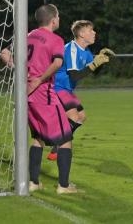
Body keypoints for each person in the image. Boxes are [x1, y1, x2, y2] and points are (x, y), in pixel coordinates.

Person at [46, 20, 114, 161]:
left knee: (81, 117)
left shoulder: (86, 51)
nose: (94, 33)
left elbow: (92, 70)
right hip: (57, 87)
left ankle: (57, 141)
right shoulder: (71, 49)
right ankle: (57, 143)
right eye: (91, 30)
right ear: (82, 34)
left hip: (67, 89)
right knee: (74, 117)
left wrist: (101, 59)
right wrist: (95, 63)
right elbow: (75, 74)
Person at [26, 4, 73, 194]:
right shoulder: (55, 39)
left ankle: (33, 182)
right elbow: (58, 62)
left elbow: (5, 53)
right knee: (66, 138)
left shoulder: (28, 35)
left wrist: (24, 76)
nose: (59, 19)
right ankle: (64, 186)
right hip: (44, 95)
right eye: (59, 16)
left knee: (38, 137)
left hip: (27, 95)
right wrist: (39, 79)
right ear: (53, 19)